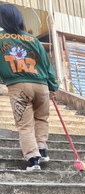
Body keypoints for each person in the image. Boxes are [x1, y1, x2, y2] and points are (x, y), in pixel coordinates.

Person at [0, 3, 59, 171]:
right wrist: (53, 86)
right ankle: (42, 149)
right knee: (41, 119)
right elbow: (47, 65)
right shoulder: (33, 39)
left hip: (19, 86)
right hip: (41, 86)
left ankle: (33, 160)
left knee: (25, 125)